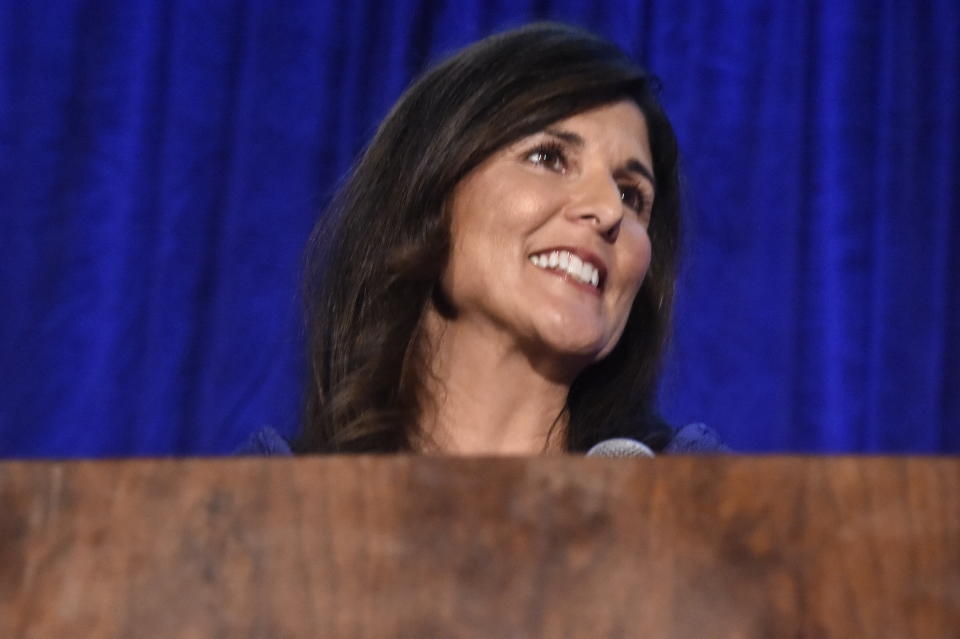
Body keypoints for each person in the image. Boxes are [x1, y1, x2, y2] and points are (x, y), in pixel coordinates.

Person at [241, 22, 726, 456]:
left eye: (631, 193)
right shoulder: (269, 502)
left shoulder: (701, 500)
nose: (607, 209)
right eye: (549, 158)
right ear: (430, 194)